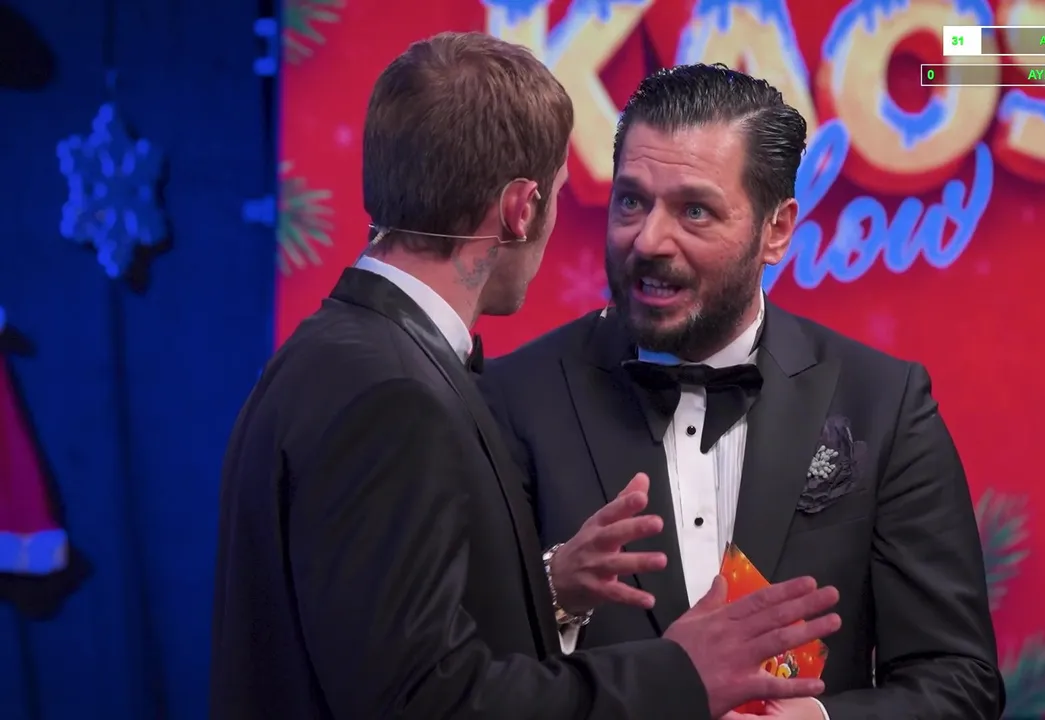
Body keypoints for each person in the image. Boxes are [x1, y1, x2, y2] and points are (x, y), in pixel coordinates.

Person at [211, 36, 844, 720]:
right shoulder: (394, 396)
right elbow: (427, 703)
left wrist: (546, 589)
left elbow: (365, 635)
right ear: (521, 207)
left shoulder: (341, 350)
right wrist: (679, 676)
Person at [481, 63, 1005, 719]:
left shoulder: (883, 403)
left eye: (694, 211)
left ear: (776, 230)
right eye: (632, 202)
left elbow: (959, 681)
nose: (650, 240)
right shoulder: (513, 398)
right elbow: (452, 678)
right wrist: (556, 590)